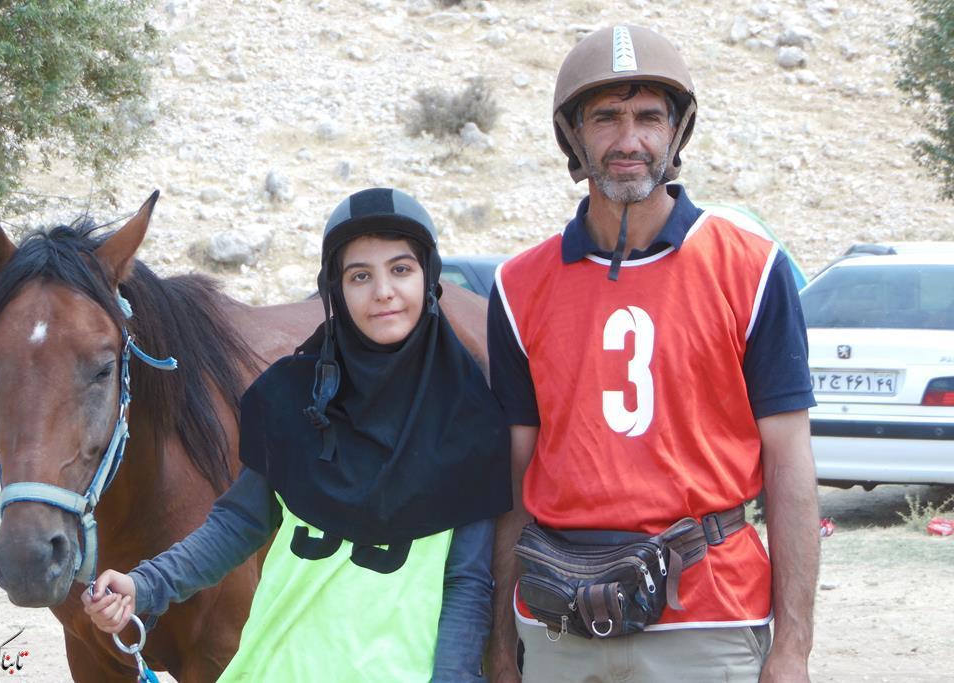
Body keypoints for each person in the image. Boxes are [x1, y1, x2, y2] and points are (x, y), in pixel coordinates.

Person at [486, 25, 820, 683]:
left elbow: (790, 463)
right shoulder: (518, 287)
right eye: (605, 118)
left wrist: (793, 648)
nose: (629, 140)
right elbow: (515, 480)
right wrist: (500, 642)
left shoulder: (753, 270)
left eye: (648, 117)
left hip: (711, 617)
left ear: (677, 131)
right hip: (559, 621)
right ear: (573, 135)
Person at [83, 187, 511, 682]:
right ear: (335, 289)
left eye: (401, 269)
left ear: (428, 277)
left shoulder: (471, 419)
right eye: (359, 275)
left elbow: (466, 583)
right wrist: (146, 584)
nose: (383, 291)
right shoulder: (291, 397)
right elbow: (237, 525)